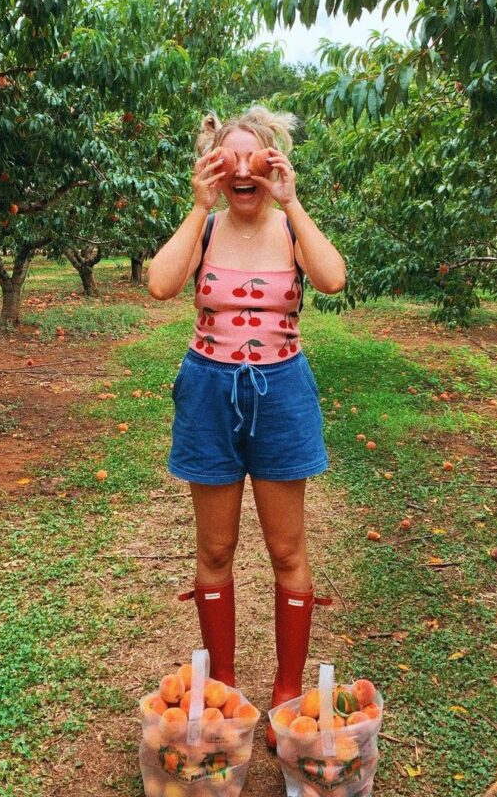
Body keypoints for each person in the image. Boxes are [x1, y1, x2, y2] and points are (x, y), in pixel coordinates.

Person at [147, 105, 346, 748]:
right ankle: (225, 685)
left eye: (253, 161)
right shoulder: (205, 229)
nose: (242, 173)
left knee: (288, 551)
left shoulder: (289, 228)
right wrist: (196, 207)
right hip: (209, 389)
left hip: (282, 390)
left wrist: (296, 204)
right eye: (228, 161)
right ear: (213, 166)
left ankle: (288, 691)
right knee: (215, 550)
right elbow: (159, 284)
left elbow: (333, 278)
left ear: (272, 165)